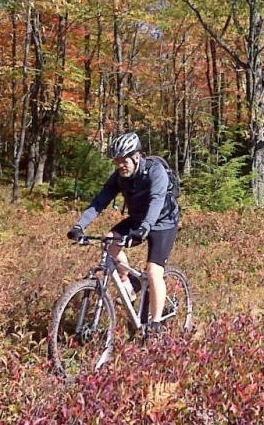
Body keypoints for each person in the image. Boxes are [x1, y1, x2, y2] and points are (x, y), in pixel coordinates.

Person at [67, 132, 180, 334]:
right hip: (138, 219)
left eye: (123, 160)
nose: (120, 165)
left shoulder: (155, 171)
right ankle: (129, 283)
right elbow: (99, 201)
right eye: (116, 161)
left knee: (154, 271)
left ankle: (155, 325)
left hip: (163, 222)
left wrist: (144, 229)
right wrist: (79, 226)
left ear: (136, 157)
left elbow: (156, 200)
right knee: (110, 241)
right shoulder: (120, 177)